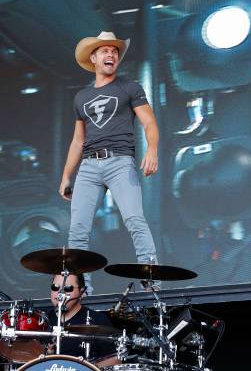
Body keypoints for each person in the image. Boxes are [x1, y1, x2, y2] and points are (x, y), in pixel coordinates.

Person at [59, 31, 160, 293]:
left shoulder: (129, 87)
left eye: (114, 51)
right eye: (105, 51)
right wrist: (66, 176)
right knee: (77, 233)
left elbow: (149, 122)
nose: (111, 54)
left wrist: (153, 149)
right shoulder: (81, 97)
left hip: (120, 162)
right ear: (93, 58)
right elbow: (77, 141)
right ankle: (82, 289)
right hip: (89, 167)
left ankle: (152, 284)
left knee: (135, 219)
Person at [47, 273, 119, 365]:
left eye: (68, 288)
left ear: (81, 292)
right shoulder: (42, 320)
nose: (60, 293)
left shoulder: (98, 320)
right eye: (55, 287)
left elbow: (115, 360)